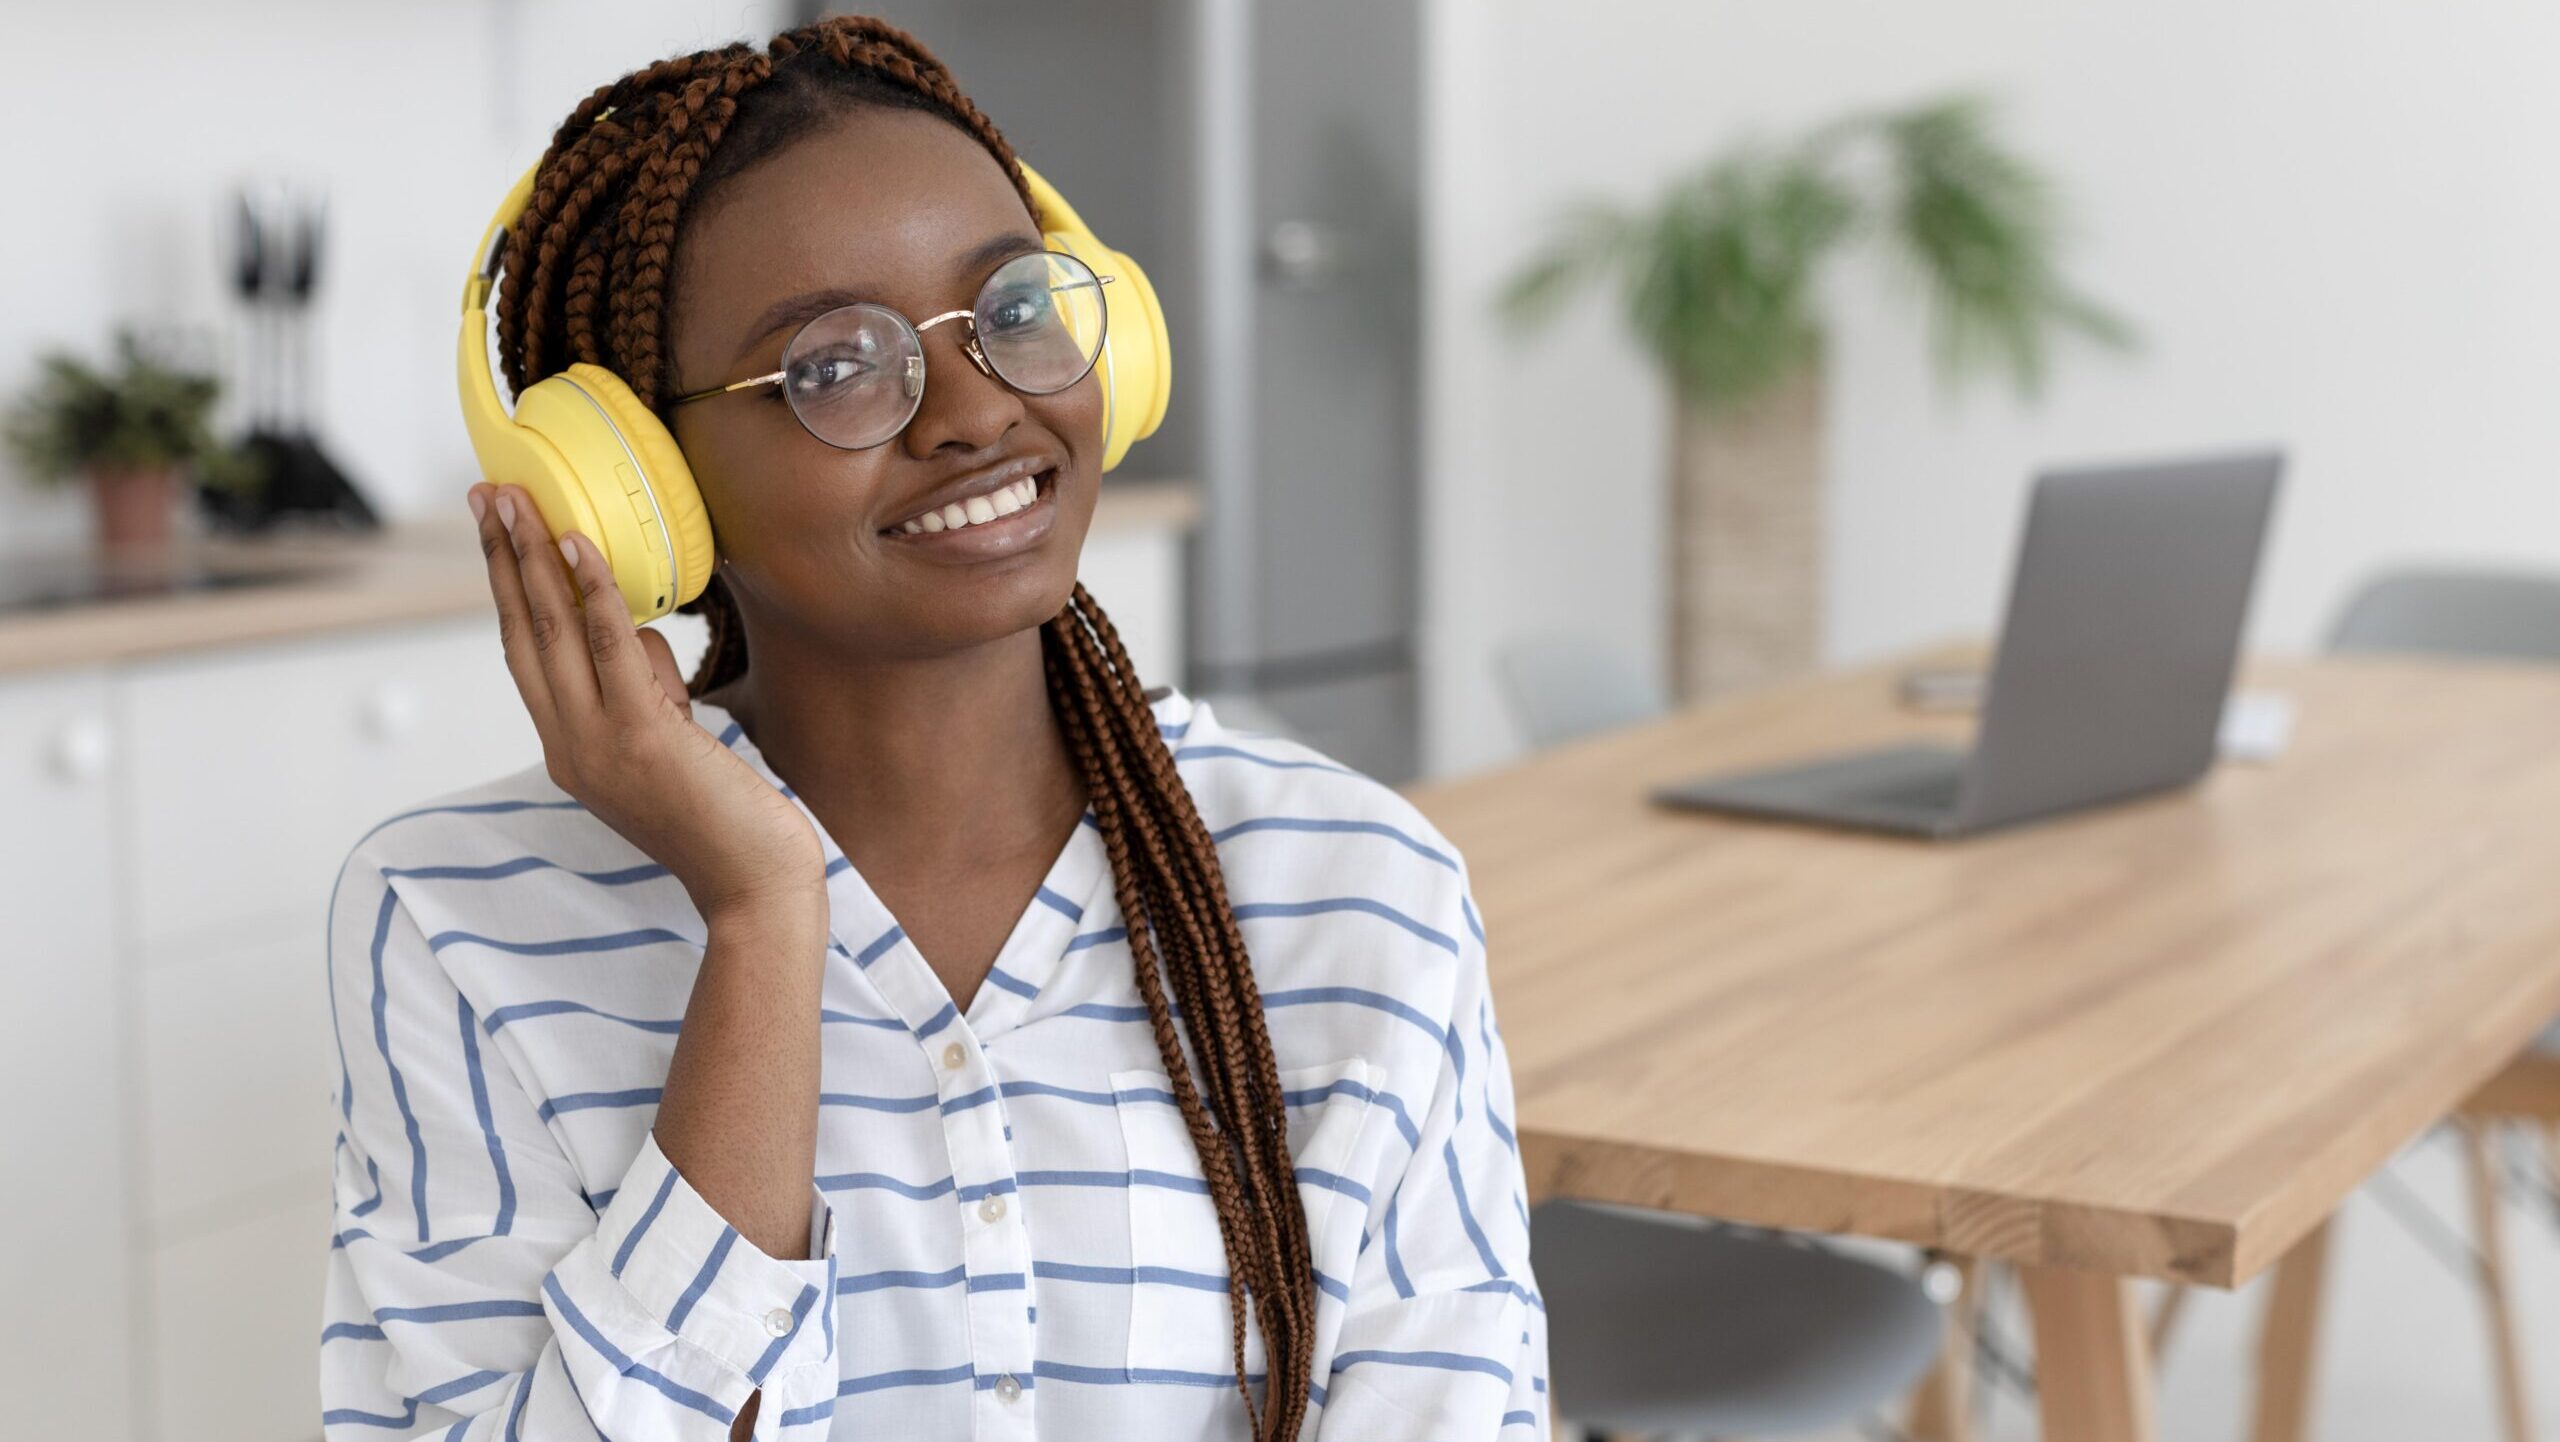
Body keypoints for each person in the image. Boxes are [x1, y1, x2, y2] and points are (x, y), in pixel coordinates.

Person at [320, 15, 1541, 1441]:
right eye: (835, 365)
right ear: (638, 478)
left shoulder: (1364, 892)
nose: (975, 410)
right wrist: (765, 924)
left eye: (1014, 311)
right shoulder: (457, 920)